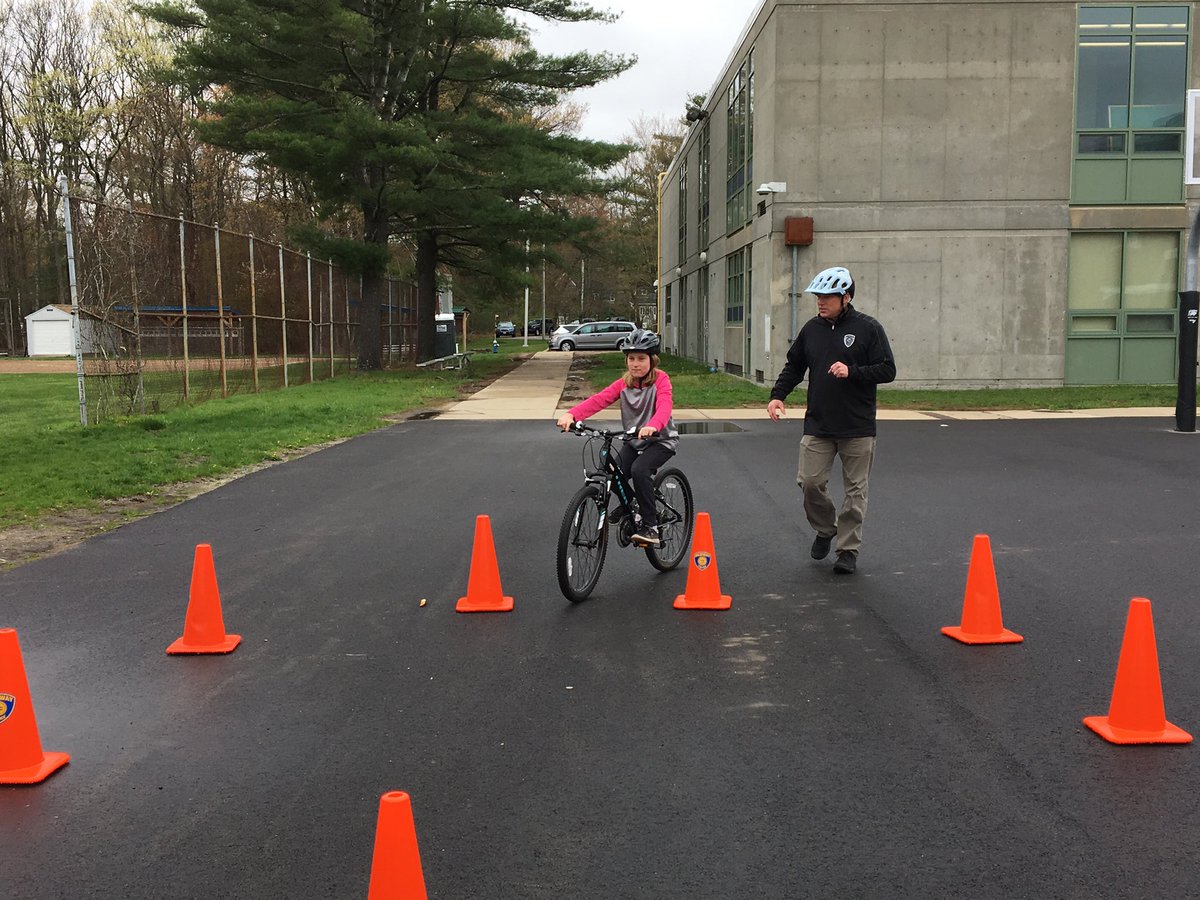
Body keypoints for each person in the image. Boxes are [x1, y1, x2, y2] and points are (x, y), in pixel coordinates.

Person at [767, 266, 896, 575]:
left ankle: (848, 550)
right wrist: (778, 395)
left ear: (846, 297)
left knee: (855, 493)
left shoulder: (868, 328)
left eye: (827, 298)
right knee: (809, 483)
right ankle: (826, 529)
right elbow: (794, 366)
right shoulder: (812, 329)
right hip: (819, 425)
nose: (820, 303)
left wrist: (852, 371)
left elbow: (887, 370)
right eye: (818, 298)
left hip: (857, 427)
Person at [556, 329, 679, 546]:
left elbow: (664, 406)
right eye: (631, 359)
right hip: (633, 439)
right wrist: (572, 414)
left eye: (641, 358)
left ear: (652, 359)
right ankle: (631, 503)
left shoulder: (661, 380)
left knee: (639, 470)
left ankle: (650, 527)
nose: (635, 364)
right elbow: (599, 400)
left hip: (660, 440)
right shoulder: (624, 383)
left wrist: (652, 425)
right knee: (614, 472)